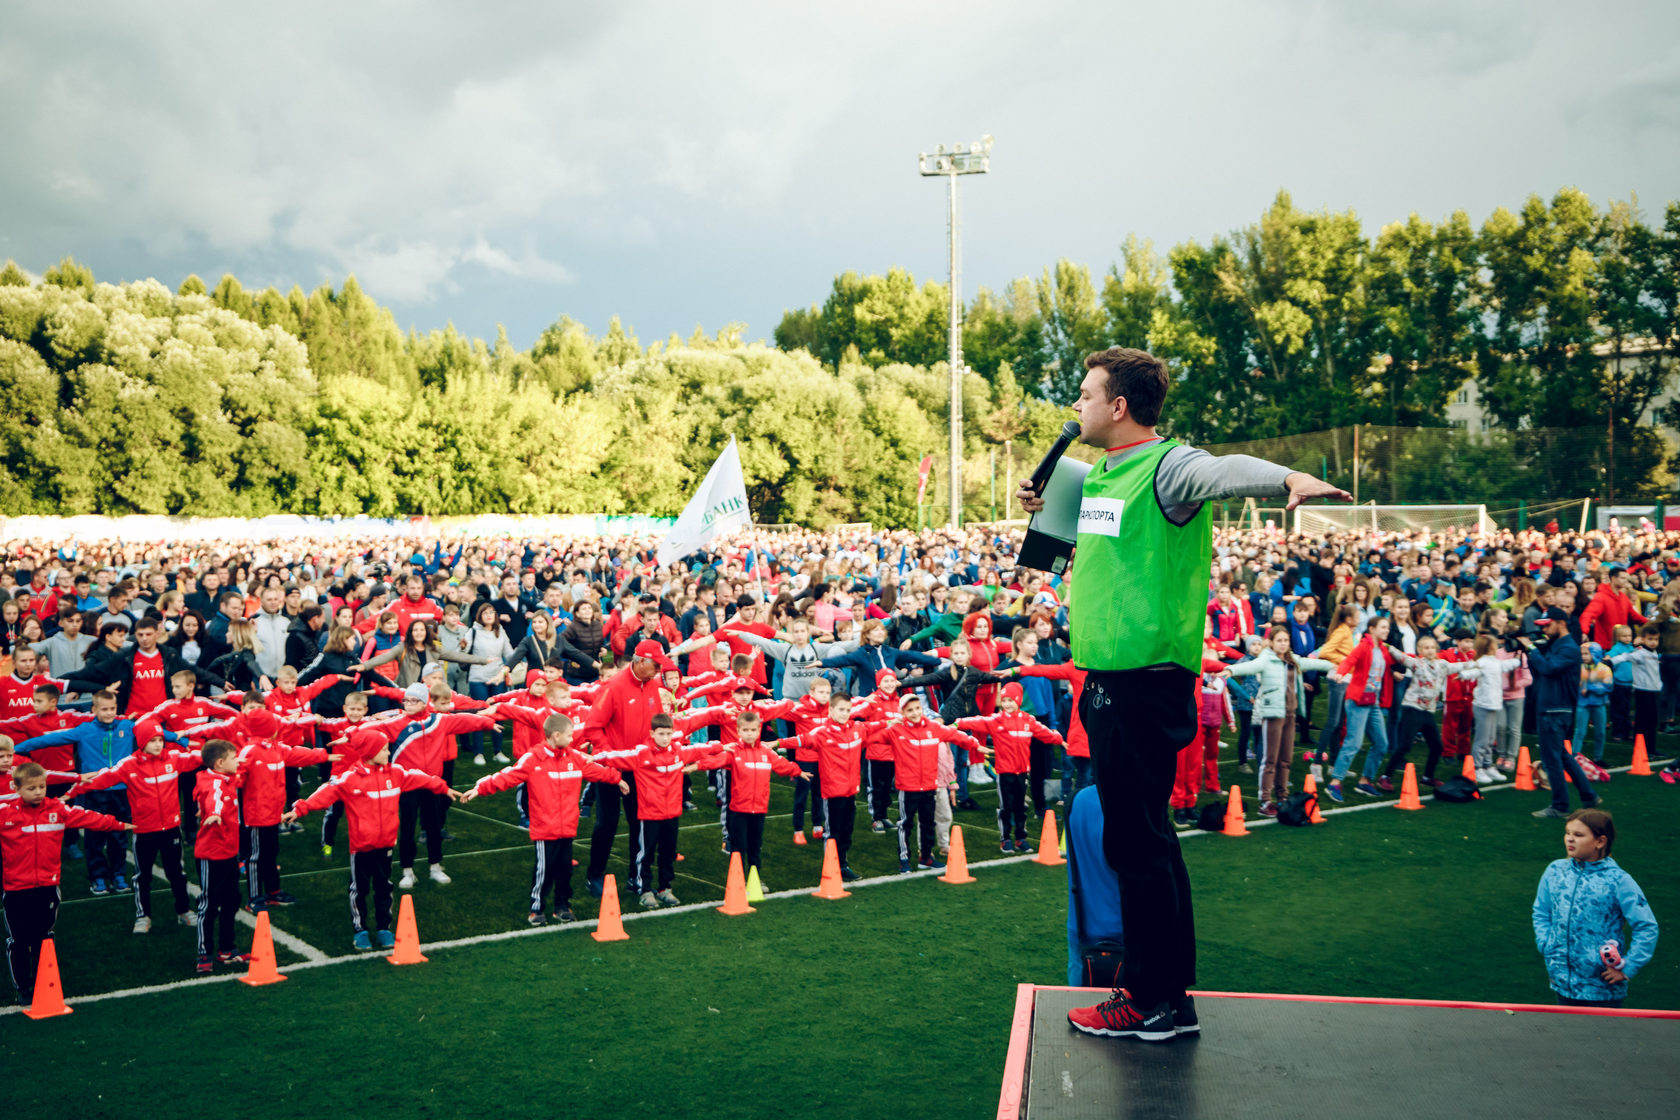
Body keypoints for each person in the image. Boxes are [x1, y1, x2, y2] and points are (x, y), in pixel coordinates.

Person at [1018, 346, 1347, 1041]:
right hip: (1107, 681)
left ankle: (1148, 1000)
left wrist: (1287, 476)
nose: (1074, 407)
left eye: (1085, 395)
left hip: (1143, 686)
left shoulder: (1168, 465)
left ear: (1119, 406)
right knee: (1146, 844)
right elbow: (1067, 554)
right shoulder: (1097, 471)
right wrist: (1045, 511)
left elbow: (1223, 471)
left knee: (1136, 849)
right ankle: (1167, 995)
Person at [284, 728, 462, 950]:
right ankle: (360, 930)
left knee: (384, 886)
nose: (389, 753)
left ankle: (384, 928)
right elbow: (325, 793)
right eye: (384, 749)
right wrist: (300, 809)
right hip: (361, 846)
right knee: (359, 889)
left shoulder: (396, 773)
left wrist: (443, 787)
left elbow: (419, 777)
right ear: (370, 752)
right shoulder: (349, 779)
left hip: (386, 843)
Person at [465, 710, 625, 924]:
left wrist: (617, 779)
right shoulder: (533, 758)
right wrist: (482, 787)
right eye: (569, 735)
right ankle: (536, 907)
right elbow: (508, 776)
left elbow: (596, 770)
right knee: (544, 869)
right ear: (556, 736)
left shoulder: (574, 757)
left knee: (565, 869)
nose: (572, 739)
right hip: (544, 828)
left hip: (567, 826)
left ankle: (563, 905)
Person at [0, 761, 134, 1006]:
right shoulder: (5, 814)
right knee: (19, 940)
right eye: (32, 788)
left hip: (48, 887)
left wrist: (117, 824)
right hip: (17, 889)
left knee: (43, 936)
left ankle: (43, 982)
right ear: (17, 789)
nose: (38, 792)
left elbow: (87, 818)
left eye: (42, 787)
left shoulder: (57, 810)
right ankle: (23, 987)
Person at [67, 718, 199, 933]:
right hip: (144, 831)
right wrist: (72, 793)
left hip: (172, 829)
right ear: (141, 742)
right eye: (152, 740)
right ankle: (143, 916)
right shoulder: (129, 765)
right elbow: (101, 779)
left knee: (177, 873)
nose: (158, 744)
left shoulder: (174, 758)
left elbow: (201, 757)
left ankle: (183, 911)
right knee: (142, 875)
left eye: (160, 740)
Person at [1531, 809, 1658, 1007]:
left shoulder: (1619, 881)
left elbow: (1647, 927)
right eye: (1568, 833)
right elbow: (1541, 911)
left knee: (1600, 1039)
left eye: (1578, 835)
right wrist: (1546, 944)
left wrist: (1628, 967)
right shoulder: (1554, 871)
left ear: (1600, 841)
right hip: (1560, 981)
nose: (1569, 840)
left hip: (1602, 990)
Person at [575, 640, 671, 898]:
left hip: (640, 767)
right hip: (611, 768)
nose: (659, 670)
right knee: (607, 822)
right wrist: (611, 756)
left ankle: (635, 875)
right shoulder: (614, 686)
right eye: (655, 665)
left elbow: (657, 724)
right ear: (640, 661)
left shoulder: (652, 686)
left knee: (640, 821)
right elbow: (592, 727)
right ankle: (594, 875)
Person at [592, 712, 717, 910]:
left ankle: (665, 888)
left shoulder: (678, 752)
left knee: (668, 853)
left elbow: (701, 749)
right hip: (649, 814)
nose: (665, 738)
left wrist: (721, 746)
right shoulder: (641, 754)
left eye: (668, 734)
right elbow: (614, 757)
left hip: (672, 813)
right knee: (645, 854)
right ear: (652, 733)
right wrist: (591, 757)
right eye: (661, 734)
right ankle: (644, 889)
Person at [955, 682, 1062, 852]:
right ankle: (1005, 839)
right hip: (1005, 772)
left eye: (1011, 700)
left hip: (1022, 772)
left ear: (1018, 700)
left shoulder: (1029, 720)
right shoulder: (996, 720)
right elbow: (977, 721)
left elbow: (1044, 732)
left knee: (1021, 807)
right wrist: (957, 723)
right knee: (1006, 807)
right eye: (1004, 700)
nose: (1007, 704)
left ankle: (1021, 838)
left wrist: (1059, 740)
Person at [1521, 608, 1601, 819]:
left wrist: (1531, 648)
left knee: (1552, 759)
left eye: (1547, 625)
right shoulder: (1559, 645)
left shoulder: (1568, 648)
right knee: (1563, 756)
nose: (1544, 630)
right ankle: (1588, 795)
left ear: (1560, 623)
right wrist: (1533, 651)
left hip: (1555, 709)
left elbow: (1548, 668)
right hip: (1553, 708)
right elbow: (1541, 670)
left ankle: (1560, 806)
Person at [191, 739, 246, 973]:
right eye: (234, 758)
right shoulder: (213, 784)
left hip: (228, 852)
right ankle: (204, 953)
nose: (238, 761)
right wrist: (212, 813)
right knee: (209, 904)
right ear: (221, 762)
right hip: (211, 855)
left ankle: (226, 949)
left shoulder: (225, 778)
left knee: (232, 900)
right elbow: (213, 798)